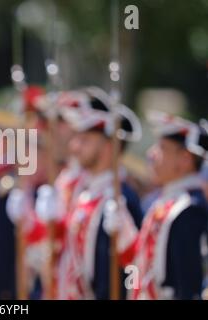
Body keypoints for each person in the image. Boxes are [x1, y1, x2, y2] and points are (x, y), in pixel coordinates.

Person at [52, 87, 144, 299]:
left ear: (109, 146)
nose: (74, 146)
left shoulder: (121, 197)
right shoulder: (86, 194)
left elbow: (123, 274)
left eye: (85, 140)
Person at [128, 112, 208, 300]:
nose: (151, 154)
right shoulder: (167, 203)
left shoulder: (188, 211)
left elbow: (186, 287)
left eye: (162, 148)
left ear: (185, 159)